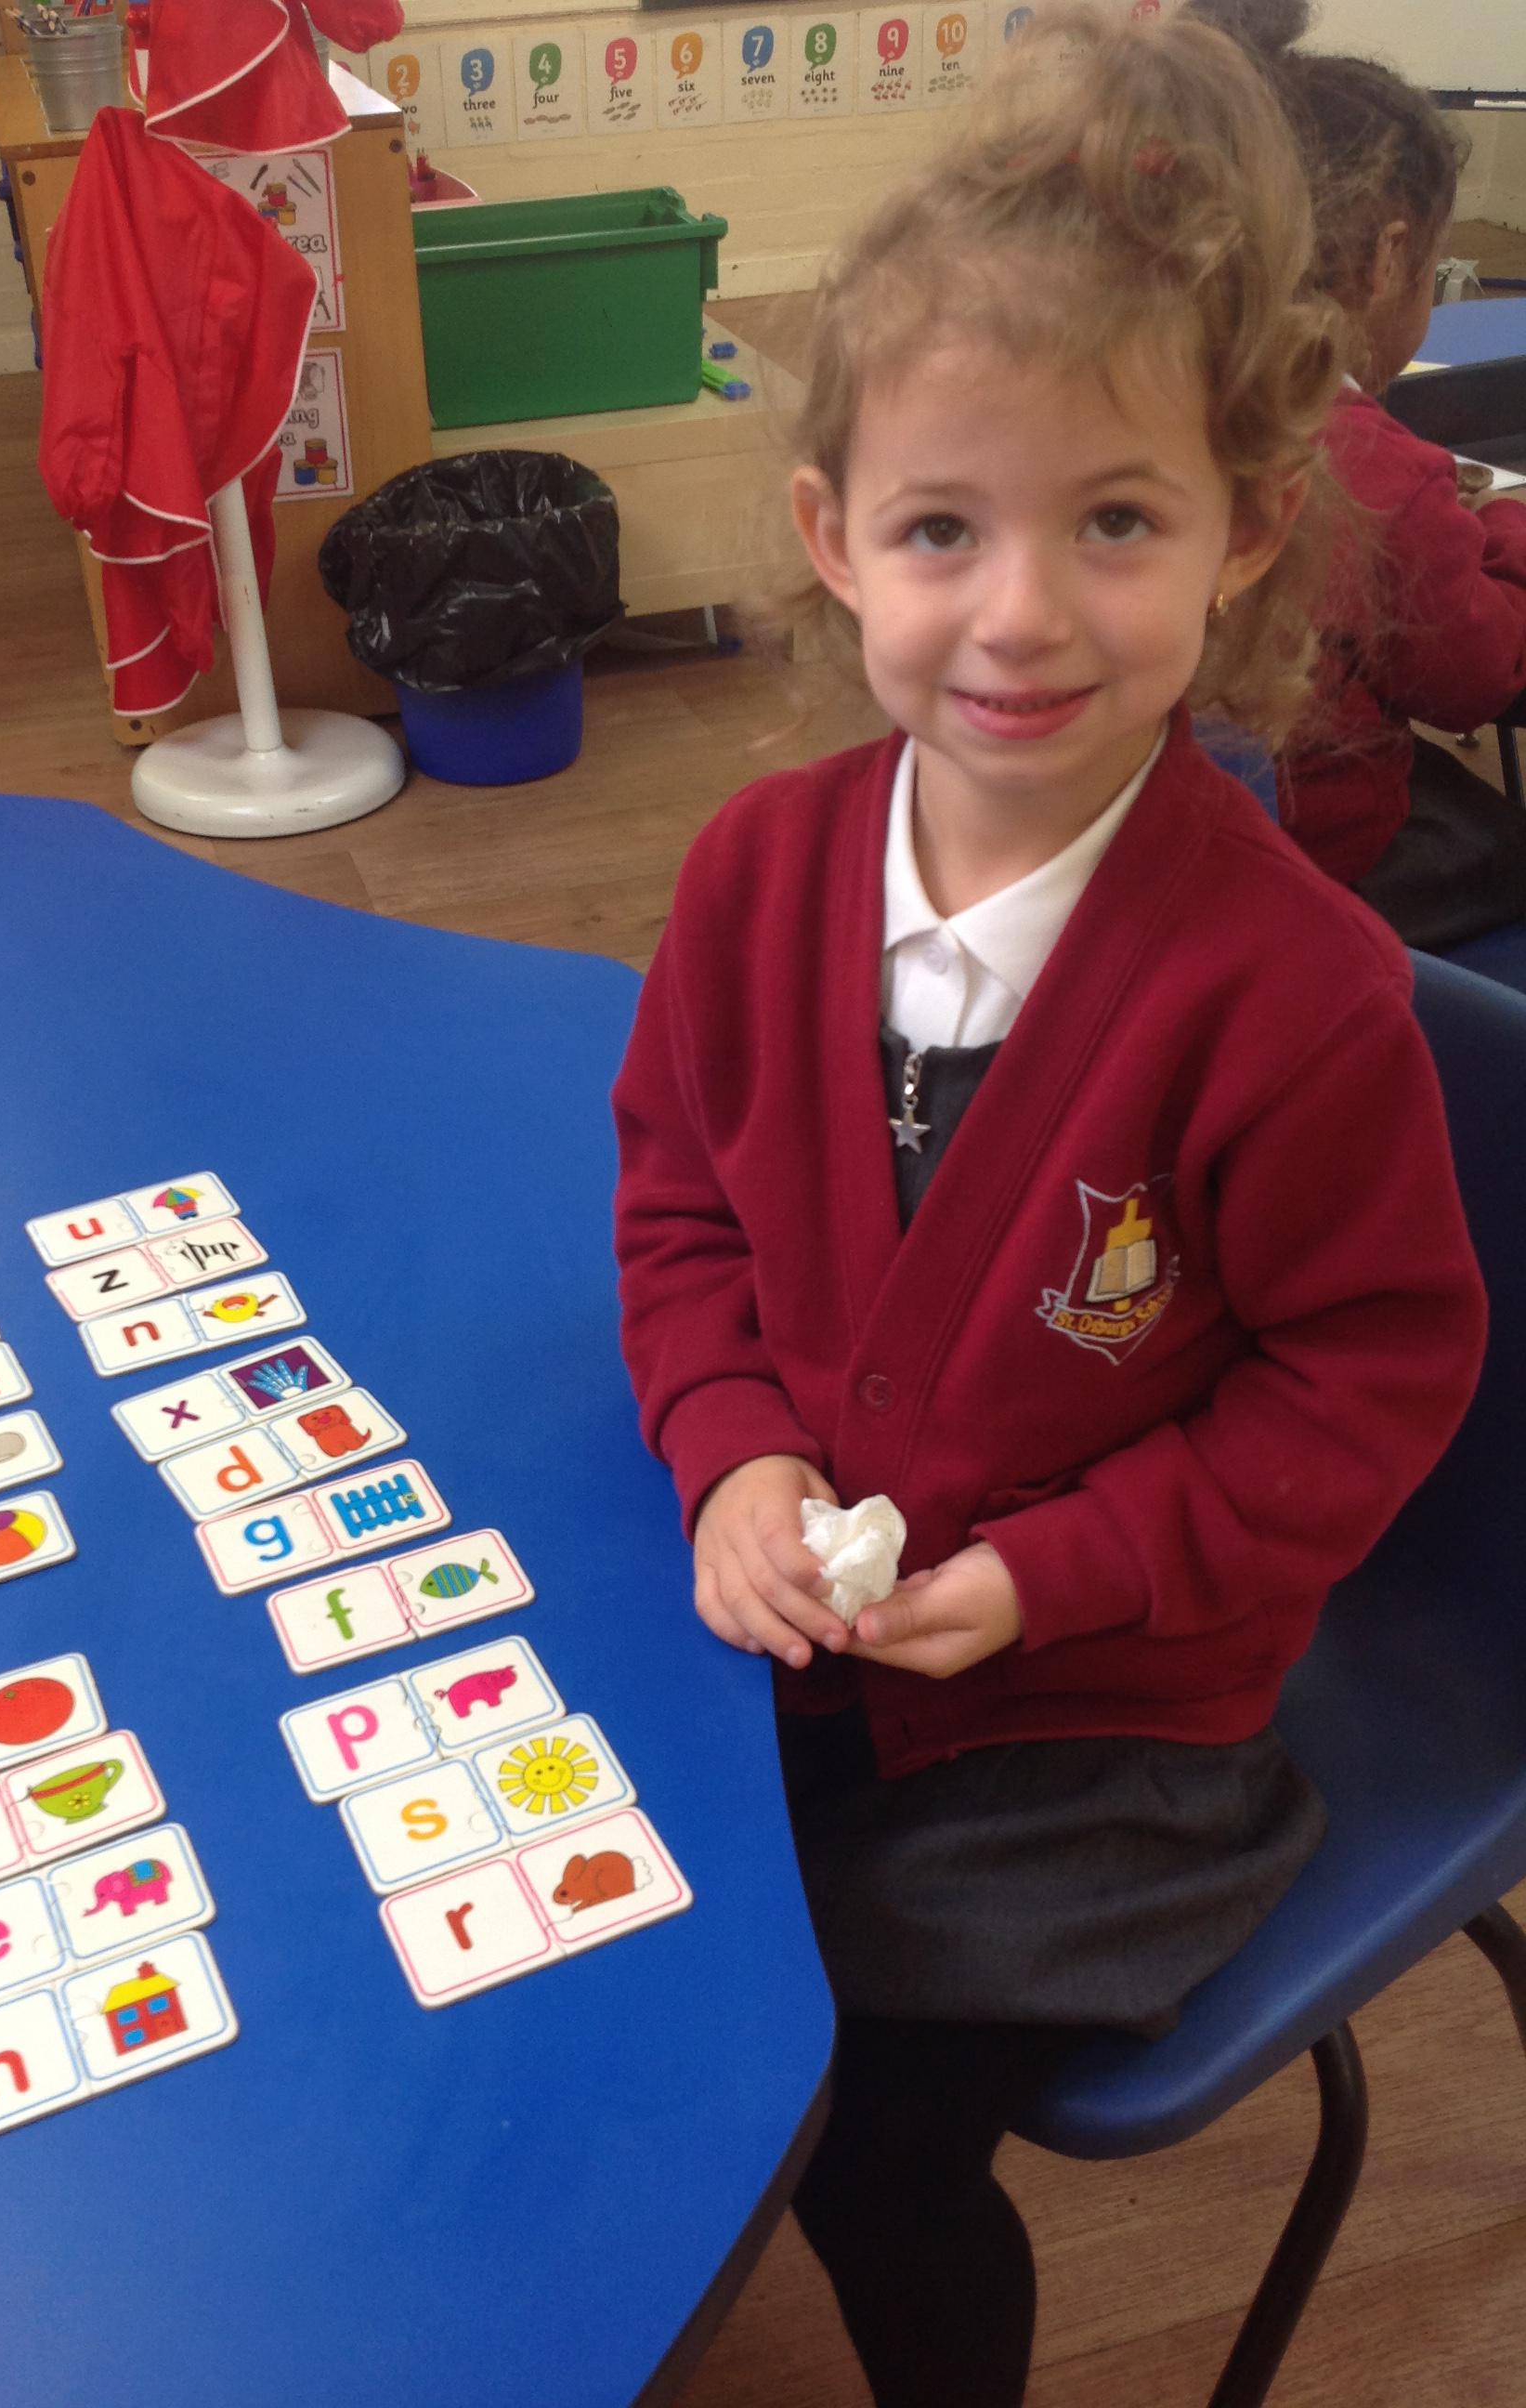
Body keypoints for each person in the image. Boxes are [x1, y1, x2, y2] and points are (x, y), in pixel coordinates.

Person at [610, 11, 1488, 2404]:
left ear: (1244, 531)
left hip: (1108, 1710)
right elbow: (677, 1206)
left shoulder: (1289, 994)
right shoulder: (752, 876)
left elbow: (1363, 1378)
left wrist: (1048, 1576)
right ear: (832, 539)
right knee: (620, 1950)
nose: (1016, 614)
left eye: (1112, 520)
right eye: (941, 530)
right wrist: (731, 1448)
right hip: (801, 1631)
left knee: (861, 2135)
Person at [1187, 0, 1526, 949]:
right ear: (1386, 258)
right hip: (1316, 859)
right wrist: (1503, 528)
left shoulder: (1157, 386)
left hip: (1171, 835)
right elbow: (1478, 675)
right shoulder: (1376, 473)